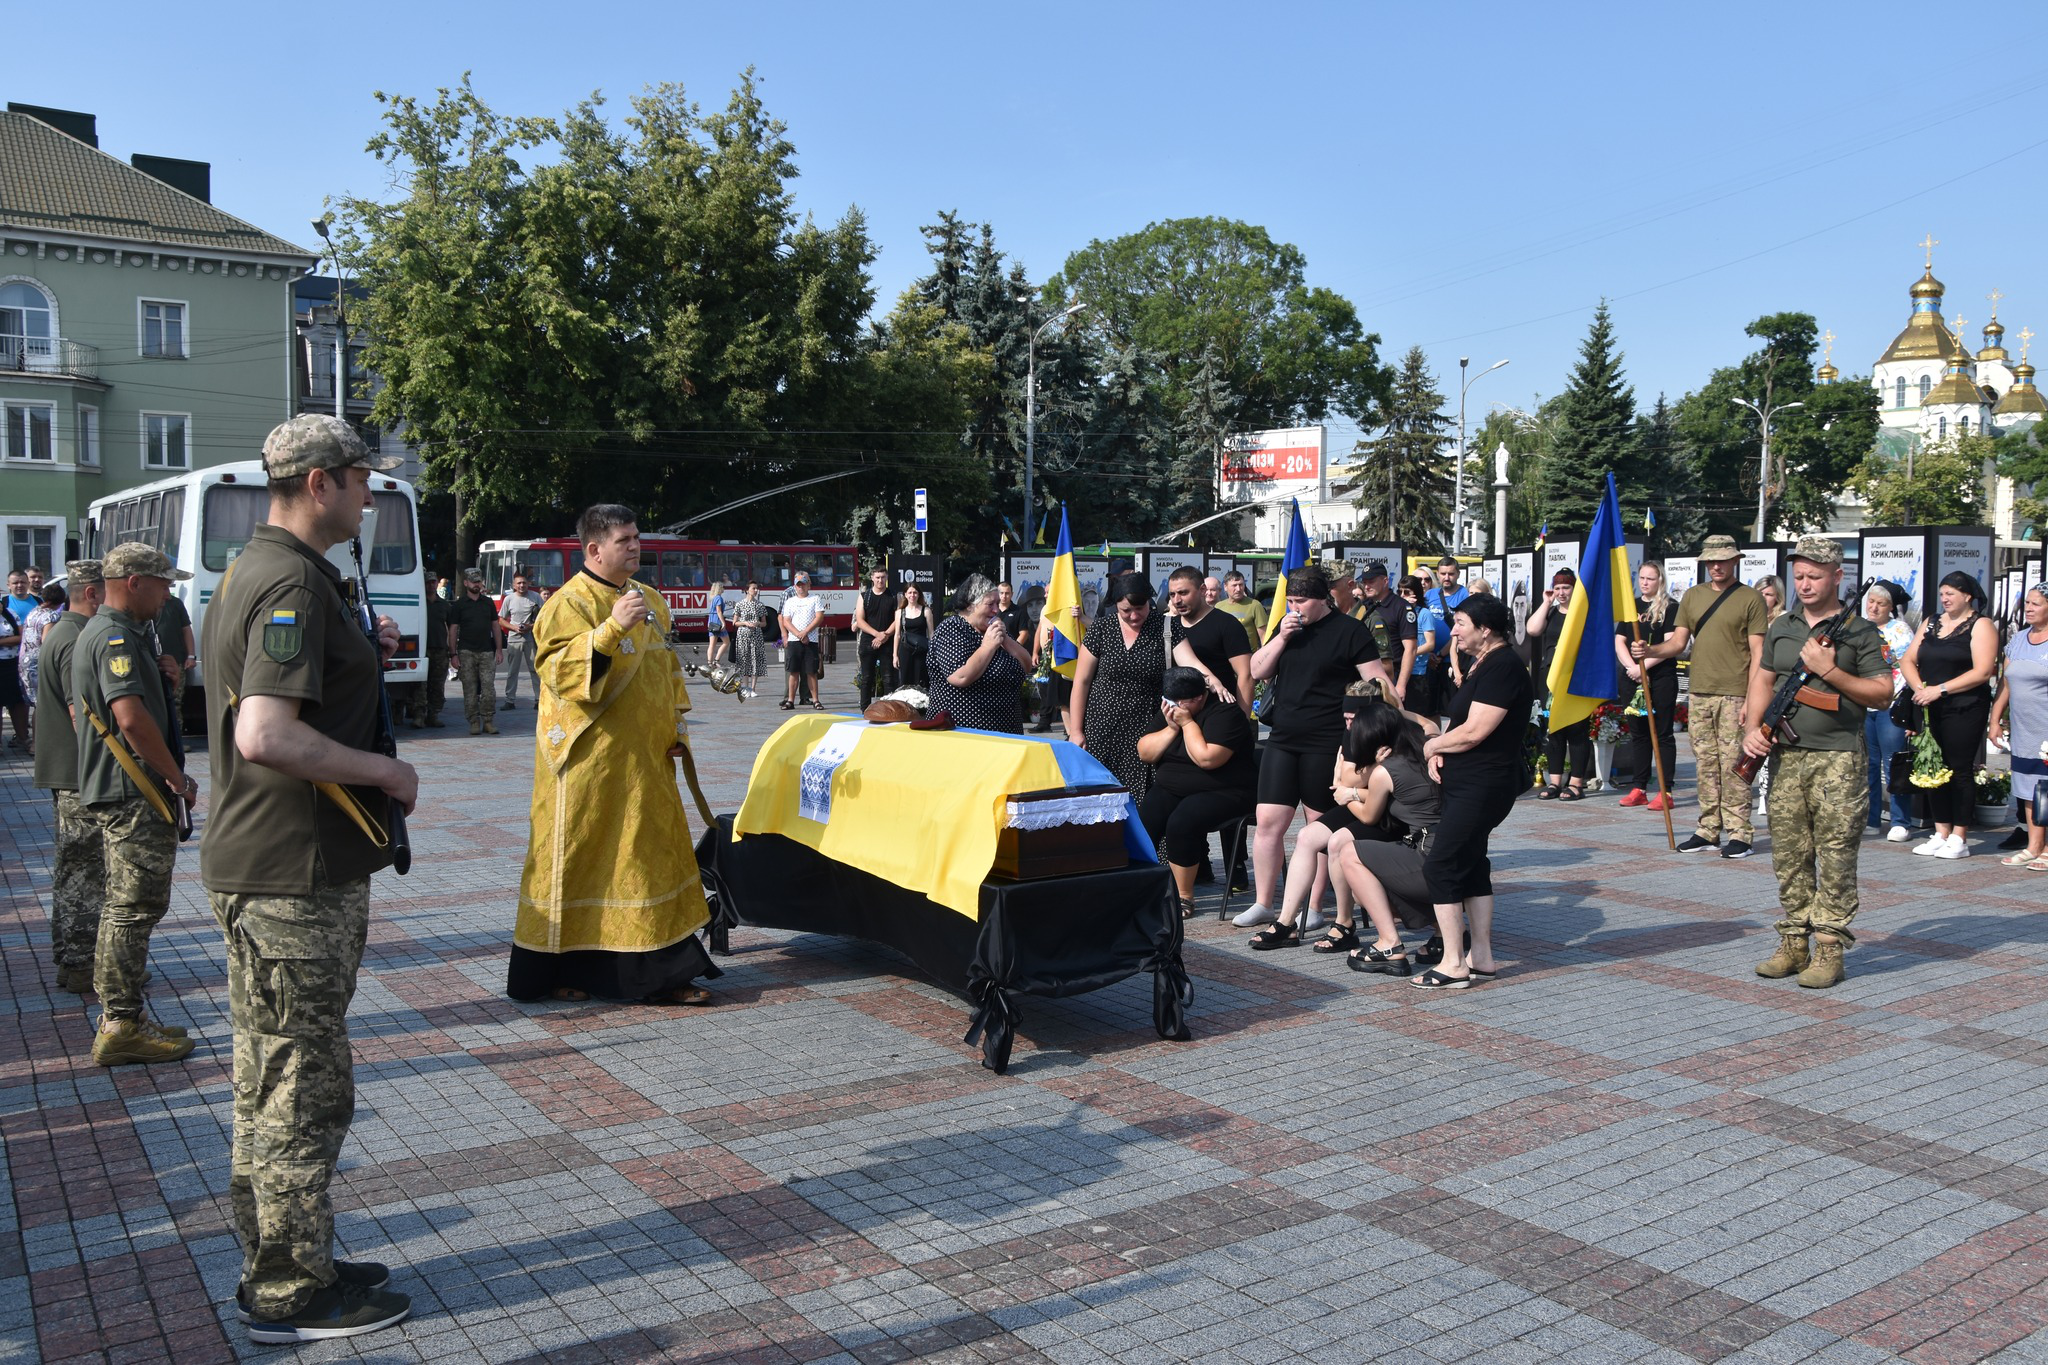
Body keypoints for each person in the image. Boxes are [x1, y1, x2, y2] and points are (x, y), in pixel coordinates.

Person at [200, 414, 417, 1342]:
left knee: (270, 1072)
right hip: (293, 872)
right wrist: (385, 772)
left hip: (279, 866)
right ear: (323, 481)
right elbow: (265, 732)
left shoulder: (267, 568)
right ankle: (292, 1292)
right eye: (365, 479)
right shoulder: (289, 579)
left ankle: (287, 1259)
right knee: (303, 1083)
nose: (371, 496)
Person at [509, 503, 720, 1011]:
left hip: (645, 760)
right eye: (624, 539)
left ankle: (664, 972)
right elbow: (558, 673)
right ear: (594, 549)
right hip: (589, 767)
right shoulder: (567, 603)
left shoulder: (650, 599)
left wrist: (676, 729)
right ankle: (566, 970)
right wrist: (609, 631)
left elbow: (667, 672)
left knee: (649, 862)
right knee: (584, 863)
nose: (635, 547)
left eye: (636, 537)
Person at [1742, 538, 1892, 988]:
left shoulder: (1861, 633)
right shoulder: (1783, 626)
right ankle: (1794, 941)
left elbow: (1882, 693)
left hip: (1839, 760)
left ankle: (1829, 947)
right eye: (1800, 576)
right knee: (1789, 854)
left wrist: (1829, 671)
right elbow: (1762, 680)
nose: (1805, 584)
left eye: (1815, 576)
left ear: (1837, 577)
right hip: (1786, 757)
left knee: (1836, 854)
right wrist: (1753, 729)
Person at [72, 543, 198, 1062]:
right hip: (133, 792)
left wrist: (166, 675)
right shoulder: (114, 636)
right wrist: (177, 779)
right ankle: (121, 1024)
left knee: (124, 908)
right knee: (133, 908)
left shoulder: (117, 635)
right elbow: (129, 718)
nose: (168, 594)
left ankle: (122, 1017)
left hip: (125, 789)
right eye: (163, 583)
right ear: (133, 581)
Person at [1235, 565, 1393, 927]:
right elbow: (1258, 671)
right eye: (1290, 600)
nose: (1295, 607)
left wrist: (1396, 722)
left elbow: (1378, 680)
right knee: (1267, 821)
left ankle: (1315, 906)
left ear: (1323, 598)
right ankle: (1263, 902)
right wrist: (1281, 637)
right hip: (1283, 736)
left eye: (1301, 601)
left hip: (1327, 738)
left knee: (1317, 825)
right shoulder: (1286, 628)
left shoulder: (1349, 631)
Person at [1414, 593, 1532, 989]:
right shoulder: (1483, 662)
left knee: (1441, 865)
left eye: (1461, 623)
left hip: (1485, 784)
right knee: (1473, 863)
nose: (1455, 631)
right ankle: (1481, 956)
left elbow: (1477, 730)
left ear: (1485, 629)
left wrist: (1432, 745)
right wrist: (1440, 752)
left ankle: (1453, 963)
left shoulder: (1504, 666)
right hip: (1468, 781)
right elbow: (1461, 727)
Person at [1633, 534, 1767, 858]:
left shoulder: (1750, 598)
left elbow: (1759, 653)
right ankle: (1708, 830)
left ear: (1735, 561)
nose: (1716, 565)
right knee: (1705, 764)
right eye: (1711, 560)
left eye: (1722, 559)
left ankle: (1740, 833)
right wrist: (1649, 649)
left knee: (1734, 765)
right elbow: (1678, 643)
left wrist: (1753, 699)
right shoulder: (1692, 596)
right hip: (1699, 692)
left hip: (1735, 693)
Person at [1330, 700, 1445, 974]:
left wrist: (1346, 797)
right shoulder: (1425, 748)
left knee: (1349, 853)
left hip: (1429, 859)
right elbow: (1429, 723)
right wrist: (1393, 711)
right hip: (1452, 853)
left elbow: (1369, 816)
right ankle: (1444, 932)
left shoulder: (1386, 771)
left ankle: (1389, 944)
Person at [1136, 666, 1257, 919]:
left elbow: (1207, 759)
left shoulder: (1225, 712)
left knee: (1183, 821)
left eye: (1183, 703)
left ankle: (1184, 897)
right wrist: (1171, 729)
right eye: (1171, 701)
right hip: (1173, 788)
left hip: (1227, 790)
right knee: (1146, 817)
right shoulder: (1171, 709)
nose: (1176, 707)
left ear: (1200, 697)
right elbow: (1145, 753)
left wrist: (1188, 723)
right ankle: (1140, 887)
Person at [1899, 571, 2000, 859]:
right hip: (1928, 707)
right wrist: (1920, 688)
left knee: (1959, 770)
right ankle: (1940, 831)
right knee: (1933, 769)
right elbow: (1908, 659)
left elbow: (1982, 672)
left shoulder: (1981, 625)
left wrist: (1940, 690)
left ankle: (1959, 835)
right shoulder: (1931, 622)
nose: (1944, 598)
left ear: (1967, 596)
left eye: (1950, 593)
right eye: (1942, 593)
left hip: (1964, 707)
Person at [34, 563, 101, 993]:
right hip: (80, 774)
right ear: (93, 594)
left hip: (67, 772)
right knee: (86, 872)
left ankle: (70, 959)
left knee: (72, 869)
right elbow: (83, 717)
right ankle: (80, 963)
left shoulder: (60, 632)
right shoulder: (76, 638)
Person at [1072, 574, 1171, 799]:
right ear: (1115, 604)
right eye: (1126, 610)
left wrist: (1210, 679)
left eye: (1140, 608)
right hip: (1102, 728)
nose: (1134, 616)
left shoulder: (1165, 627)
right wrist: (1076, 731)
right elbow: (1082, 681)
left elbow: (1190, 662)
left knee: (1145, 798)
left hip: (1147, 728)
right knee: (1103, 796)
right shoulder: (1101, 628)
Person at [926, 573, 1034, 732]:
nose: (996, 610)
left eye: (997, 603)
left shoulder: (994, 630)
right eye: (990, 604)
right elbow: (960, 676)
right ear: (970, 605)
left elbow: (1026, 665)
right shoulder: (951, 629)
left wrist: (1006, 640)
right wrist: (987, 647)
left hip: (1007, 732)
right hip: (967, 734)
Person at [1990, 584, 2048, 869]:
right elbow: (2006, 682)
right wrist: (1995, 718)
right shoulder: (2019, 638)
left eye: (2036, 603)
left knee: (2047, 786)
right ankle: (2034, 845)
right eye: (2027, 602)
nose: (2029, 608)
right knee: (2027, 785)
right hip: (2024, 729)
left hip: (2046, 728)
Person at [1613, 560, 1679, 811]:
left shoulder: (1671, 607)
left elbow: (1671, 644)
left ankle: (1666, 790)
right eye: (1642, 577)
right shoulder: (1631, 606)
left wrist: (1645, 667)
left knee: (1662, 734)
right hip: (1632, 676)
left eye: (1650, 578)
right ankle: (1639, 787)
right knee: (1638, 733)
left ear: (1660, 580)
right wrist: (1632, 667)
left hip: (1660, 676)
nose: (1644, 582)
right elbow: (1620, 640)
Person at [1526, 568, 1593, 800]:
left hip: (1576, 676)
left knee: (1576, 729)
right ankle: (1555, 781)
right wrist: (1546, 602)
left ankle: (1576, 783)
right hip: (1551, 676)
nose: (1561, 592)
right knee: (1554, 729)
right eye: (1557, 588)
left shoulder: (1583, 614)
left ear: (1575, 589)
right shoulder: (1552, 612)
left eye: (1566, 588)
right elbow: (1532, 629)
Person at [1861, 581, 1916, 841]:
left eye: (1880, 604)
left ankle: (1900, 821)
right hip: (1864, 705)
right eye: (1871, 601)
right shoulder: (1859, 627)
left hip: (1891, 705)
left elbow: (1908, 666)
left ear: (1890, 608)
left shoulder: (1900, 630)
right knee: (1868, 766)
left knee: (1894, 763)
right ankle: (1871, 819)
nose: (1873, 607)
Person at [1164, 565, 1253, 715]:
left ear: (1203, 590)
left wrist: (1242, 719)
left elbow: (1246, 675)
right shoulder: (1170, 627)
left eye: (1183, 593)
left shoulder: (1227, 624)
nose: (1177, 600)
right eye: (1172, 595)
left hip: (1218, 714)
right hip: (1177, 716)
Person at [448, 567, 503, 735]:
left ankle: (488, 720)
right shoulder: (459, 605)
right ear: (466, 583)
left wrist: (499, 649)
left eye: (478, 581)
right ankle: (473, 721)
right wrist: (453, 654)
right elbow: (453, 630)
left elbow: (495, 626)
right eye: (473, 581)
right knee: (470, 689)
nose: (476, 584)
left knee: (488, 689)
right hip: (466, 652)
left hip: (486, 651)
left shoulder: (488, 603)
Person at [1357, 561, 1418, 704]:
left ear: (1385, 581)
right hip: (1368, 674)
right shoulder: (1364, 607)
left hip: (1392, 674)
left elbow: (1411, 649)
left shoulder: (1401, 607)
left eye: (1371, 581)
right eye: (1364, 582)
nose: (1366, 586)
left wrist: (1401, 685)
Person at [779, 573, 825, 710]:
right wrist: (798, 634)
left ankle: (815, 700)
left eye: (803, 584)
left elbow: (819, 617)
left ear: (808, 585)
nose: (801, 587)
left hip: (810, 640)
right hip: (794, 640)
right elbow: (786, 620)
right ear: (795, 586)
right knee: (793, 671)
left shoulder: (815, 599)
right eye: (798, 585)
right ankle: (790, 700)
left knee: (811, 671)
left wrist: (805, 632)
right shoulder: (790, 601)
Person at [497, 572, 543, 709]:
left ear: (528, 584)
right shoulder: (509, 599)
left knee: (535, 670)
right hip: (514, 639)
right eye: (519, 583)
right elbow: (501, 620)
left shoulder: (535, 597)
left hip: (531, 639)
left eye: (524, 583)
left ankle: (539, 699)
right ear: (514, 585)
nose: (522, 585)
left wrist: (530, 626)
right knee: (512, 671)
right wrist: (514, 627)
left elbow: (543, 617)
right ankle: (510, 700)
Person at [853, 569, 897, 708]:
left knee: (888, 679)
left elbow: (898, 618)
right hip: (868, 642)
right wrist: (877, 634)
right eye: (877, 577)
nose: (880, 580)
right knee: (866, 679)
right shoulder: (864, 596)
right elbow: (859, 621)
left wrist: (885, 635)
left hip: (887, 641)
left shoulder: (894, 596)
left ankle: (889, 708)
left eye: (883, 577)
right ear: (872, 577)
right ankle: (865, 709)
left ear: (887, 577)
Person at [411, 571, 450, 727]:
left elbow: (451, 627)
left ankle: (433, 715)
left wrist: (452, 651)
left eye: (433, 582)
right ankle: (419, 716)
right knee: (420, 685)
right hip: (422, 649)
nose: (431, 585)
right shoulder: (419, 603)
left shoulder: (445, 605)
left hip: (440, 650)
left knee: (437, 685)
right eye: (428, 582)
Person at [1400, 575, 1441, 720]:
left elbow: (1430, 643)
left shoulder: (1424, 614)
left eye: (1406, 592)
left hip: (1417, 671)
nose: (1402, 596)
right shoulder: (1400, 611)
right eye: (1400, 592)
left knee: (1417, 716)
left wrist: (1411, 653)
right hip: (1399, 669)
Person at [728, 582, 770, 700]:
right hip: (743, 635)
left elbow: (764, 623)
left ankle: (753, 688)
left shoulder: (760, 605)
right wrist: (745, 623)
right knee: (744, 661)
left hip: (756, 635)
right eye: (753, 588)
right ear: (747, 590)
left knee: (755, 660)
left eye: (757, 588)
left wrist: (757, 623)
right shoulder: (740, 604)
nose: (756, 590)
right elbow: (734, 622)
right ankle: (745, 687)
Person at [894, 583, 931, 690]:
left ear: (919, 594)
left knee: (921, 680)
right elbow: (897, 635)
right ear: (905, 595)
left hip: (921, 650)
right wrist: (895, 655)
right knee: (905, 681)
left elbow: (931, 633)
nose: (912, 595)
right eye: (909, 592)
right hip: (905, 650)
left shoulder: (926, 611)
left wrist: (933, 653)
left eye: (915, 592)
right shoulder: (899, 612)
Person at [1215, 570, 1268, 643]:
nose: (1238, 589)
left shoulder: (1255, 605)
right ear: (1225, 587)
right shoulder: (1219, 606)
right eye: (1234, 585)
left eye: (1241, 585)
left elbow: (1264, 636)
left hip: (1250, 653)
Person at [0, 593, 25, 750]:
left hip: (13, 663)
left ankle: (23, 738)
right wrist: (10, 640)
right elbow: (15, 638)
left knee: (18, 702)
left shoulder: (11, 614)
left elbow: (21, 637)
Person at [704, 579, 730, 669]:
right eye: (722, 587)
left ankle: (710, 663)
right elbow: (719, 611)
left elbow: (712, 611)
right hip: (718, 622)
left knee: (712, 644)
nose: (723, 588)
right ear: (719, 589)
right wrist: (723, 622)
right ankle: (716, 660)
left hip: (712, 622)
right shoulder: (719, 598)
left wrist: (708, 623)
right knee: (726, 642)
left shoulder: (713, 598)